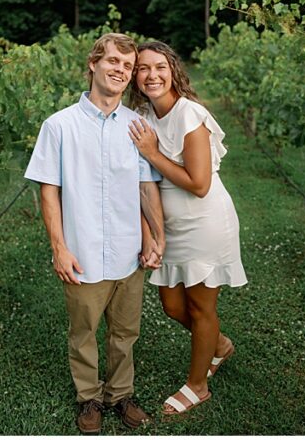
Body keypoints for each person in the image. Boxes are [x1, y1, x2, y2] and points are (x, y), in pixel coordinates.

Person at [24, 33, 166, 434]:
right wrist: (59, 247)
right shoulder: (59, 126)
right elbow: (49, 190)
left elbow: (145, 186)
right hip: (82, 250)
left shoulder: (136, 127)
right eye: (113, 61)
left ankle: (120, 395)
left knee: (125, 332)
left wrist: (156, 237)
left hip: (128, 251)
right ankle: (89, 397)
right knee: (83, 332)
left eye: (127, 64)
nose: (120, 70)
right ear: (93, 64)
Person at [127, 40, 245, 416]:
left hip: (205, 223)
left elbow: (199, 183)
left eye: (159, 66)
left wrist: (152, 153)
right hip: (170, 227)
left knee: (200, 306)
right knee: (172, 305)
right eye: (143, 68)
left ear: (173, 70)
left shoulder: (189, 114)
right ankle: (220, 345)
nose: (151, 75)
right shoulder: (143, 114)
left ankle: (198, 385)